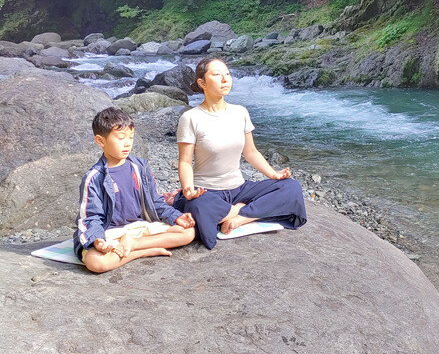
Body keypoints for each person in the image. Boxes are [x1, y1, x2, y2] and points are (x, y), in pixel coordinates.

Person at [172, 57, 307, 249]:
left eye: (227, 74)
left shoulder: (240, 112)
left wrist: (273, 175)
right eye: (217, 75)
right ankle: (244, 211)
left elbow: (250, 152)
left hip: (240, 189)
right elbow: (185, 162)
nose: (225, 79)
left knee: (291, 187)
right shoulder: (191, 118)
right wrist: (188, 189)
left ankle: (240, 217)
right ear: (202, 83)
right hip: (207, 191)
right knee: (197, 206)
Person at [73, 107, 196, 273]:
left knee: (188, 232)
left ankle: (133, 245)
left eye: (131, 137)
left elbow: (155, 202)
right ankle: (142, 252)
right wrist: (97, 240)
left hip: (138, 229)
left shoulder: (139, 167)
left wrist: (176, 216)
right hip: (109, 233)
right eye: (121, 138)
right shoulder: (94, 177)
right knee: (96, 263)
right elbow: (90, 217)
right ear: (100, 141)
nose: (127, 143)